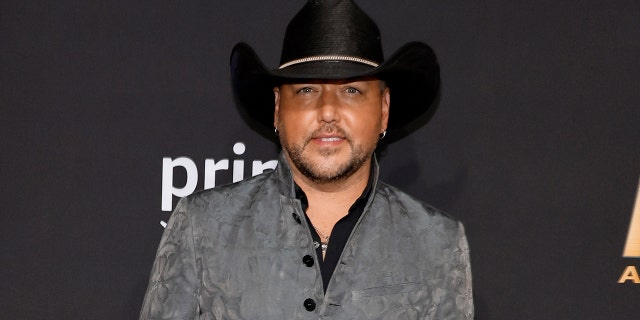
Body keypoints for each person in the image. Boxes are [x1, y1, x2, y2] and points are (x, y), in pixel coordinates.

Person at [139, 0, 473, 319]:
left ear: (384, 110)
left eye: (352, 90)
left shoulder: (437, 244)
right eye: (307, 90)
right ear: (277, 108)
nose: (328, 111)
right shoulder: (202, 228)